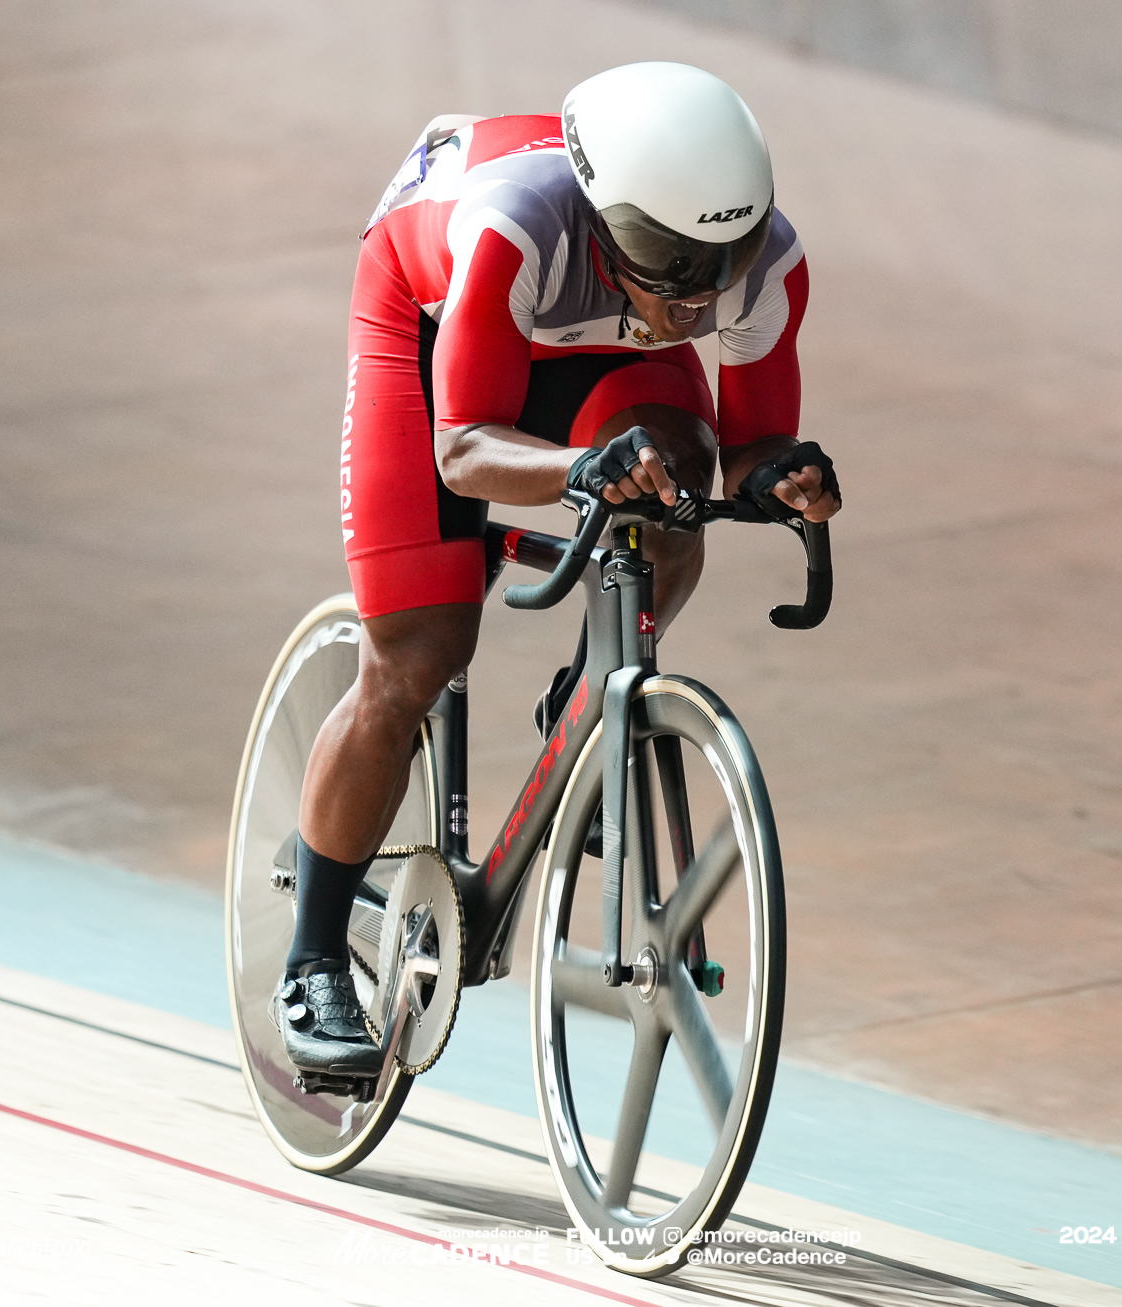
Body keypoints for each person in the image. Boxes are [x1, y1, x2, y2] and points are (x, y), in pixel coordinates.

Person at [276, 62, 843, 1080]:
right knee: (419, 652)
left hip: (589, 334)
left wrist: (784, 474)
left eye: (724, 254)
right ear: (598, 210)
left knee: (674, 481)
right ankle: (313, 957)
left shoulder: (763, 264)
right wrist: (580, 467)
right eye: (667, 258)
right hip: (432, 324)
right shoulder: (515, 228)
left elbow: (752, 441)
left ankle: (589, 695)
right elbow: (465, 452)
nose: (698, 293)